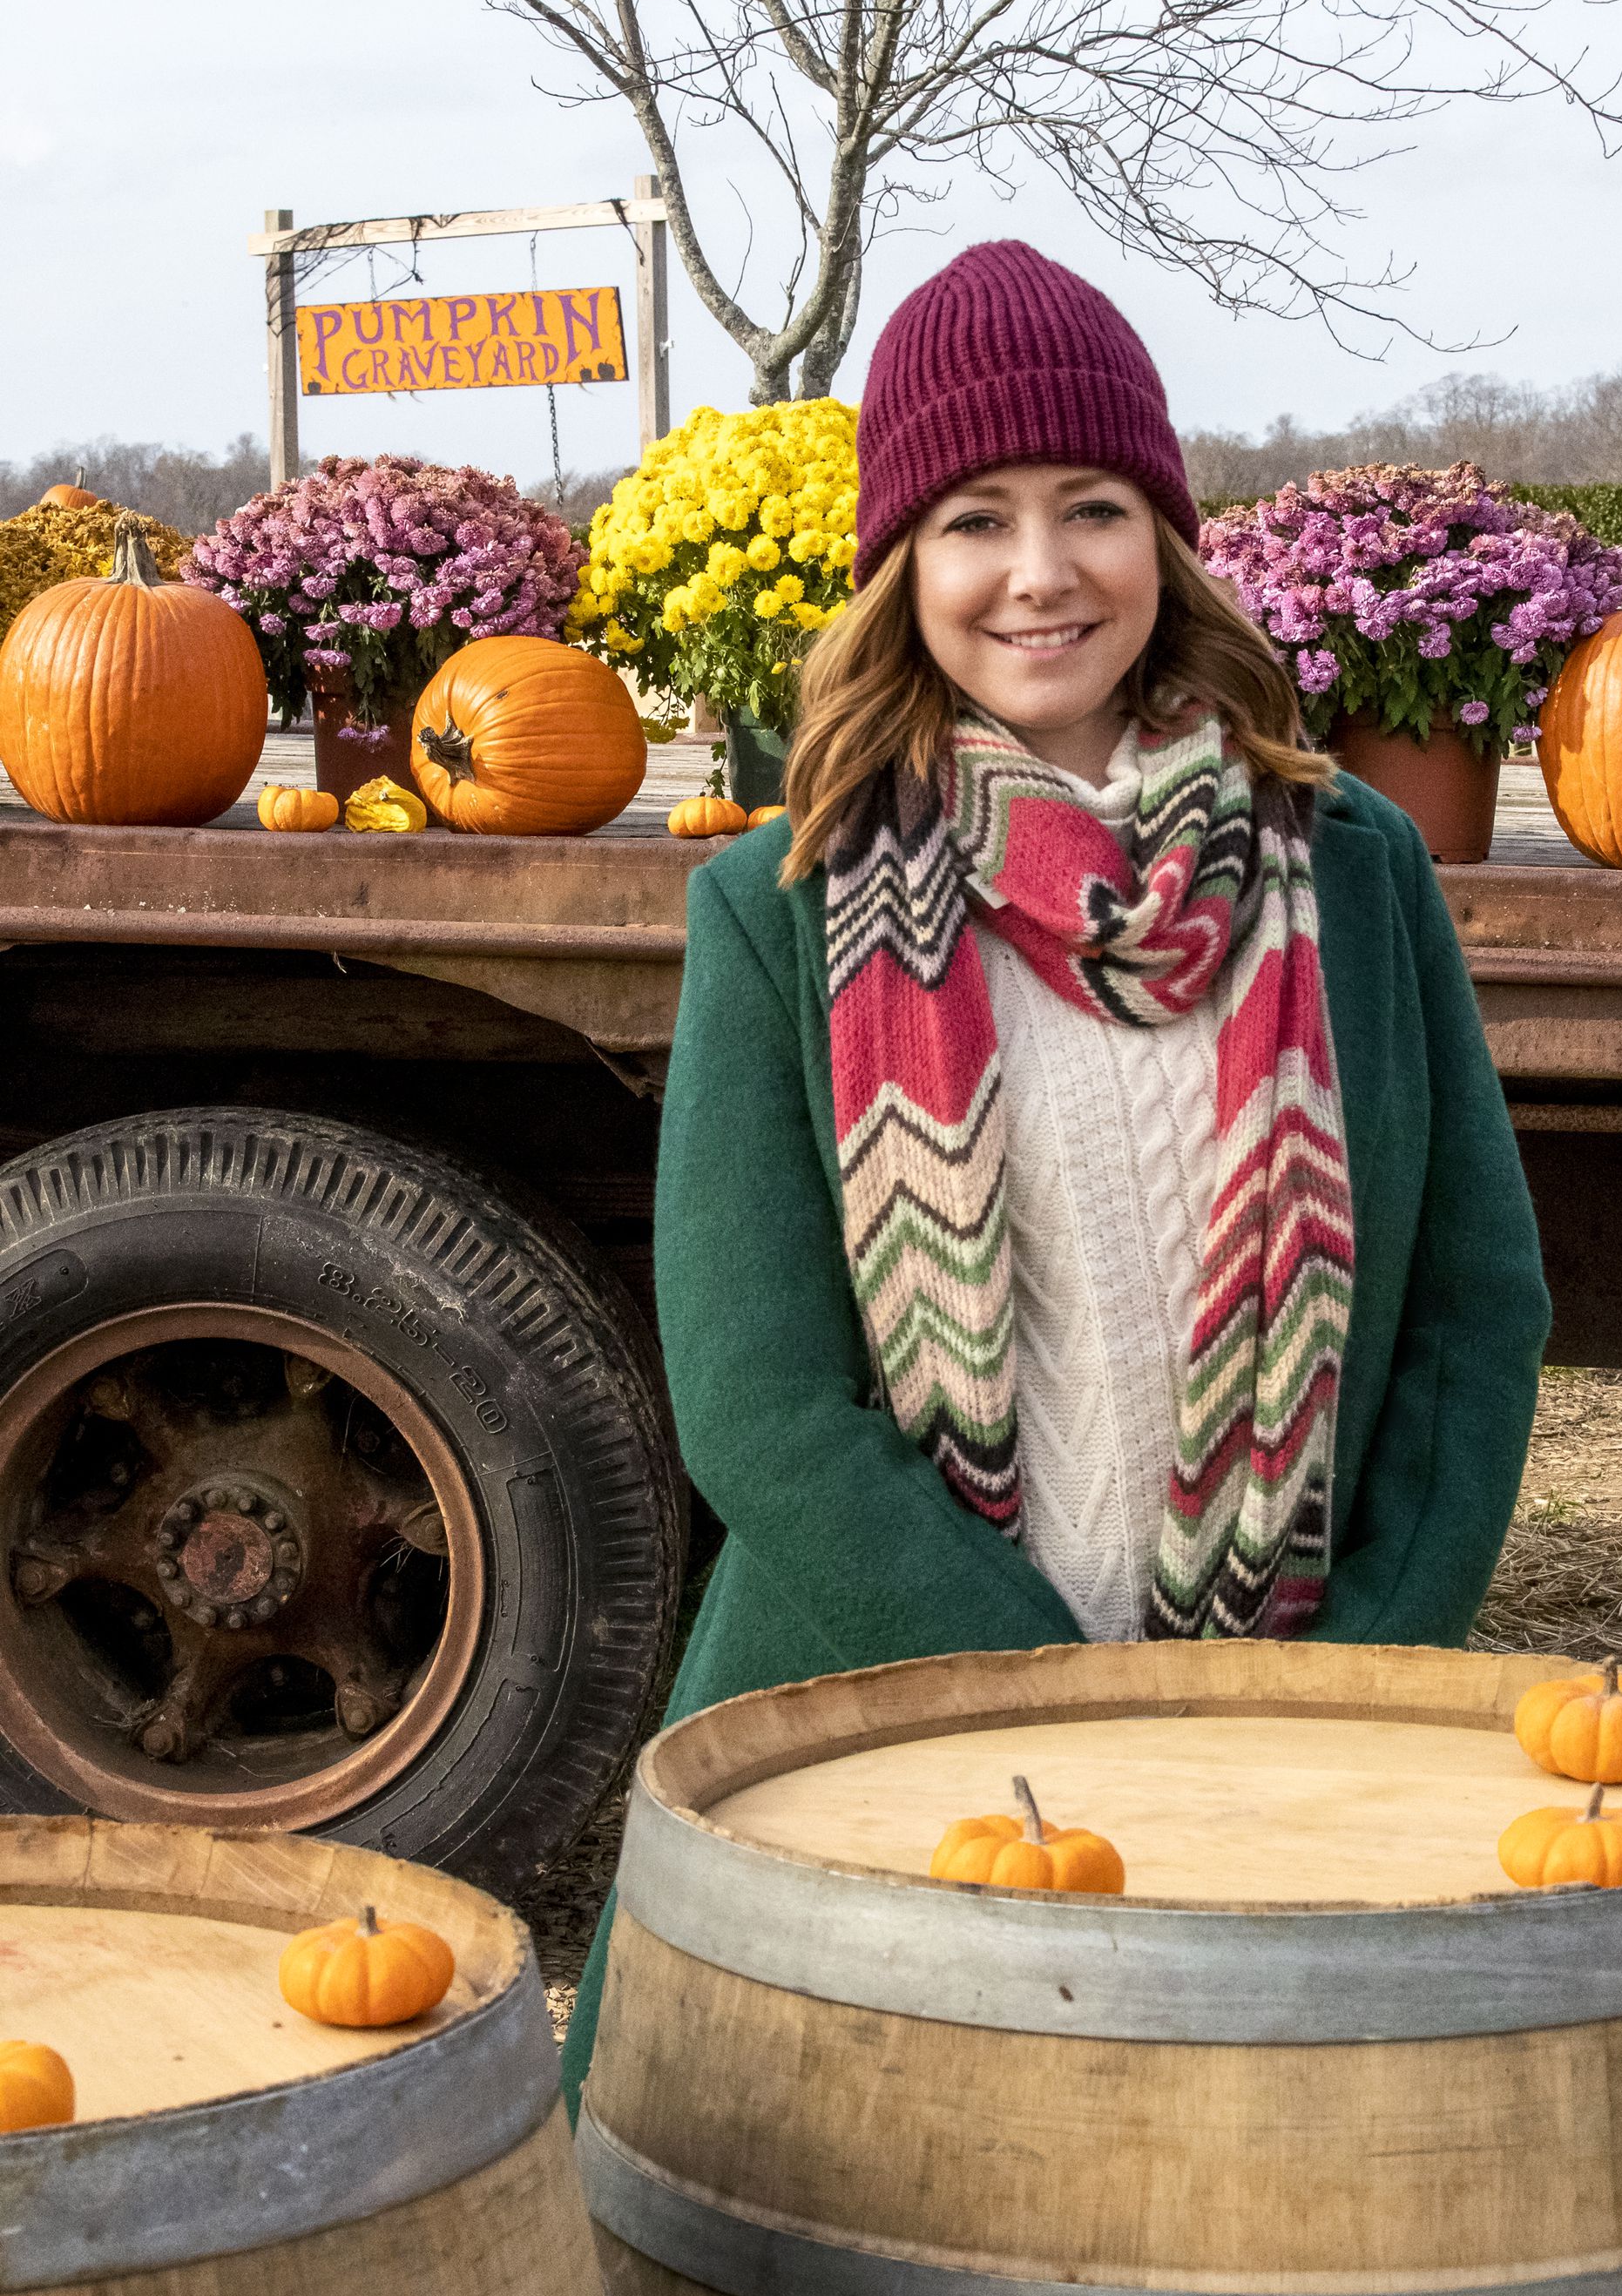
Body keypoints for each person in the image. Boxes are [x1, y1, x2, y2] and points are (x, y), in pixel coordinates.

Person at [562, 240, 1550, 2107]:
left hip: (1281, 1743)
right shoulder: (778, 909)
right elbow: (759, 1405)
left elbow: (1475, 1317)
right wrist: (1043, 1704)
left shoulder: (1347, 871)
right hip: (875, 1723)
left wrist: (1329, 1693)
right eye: (971, 520)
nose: (1037, 572)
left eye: (1090, 506)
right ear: (899, 570)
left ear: (1162, 537)